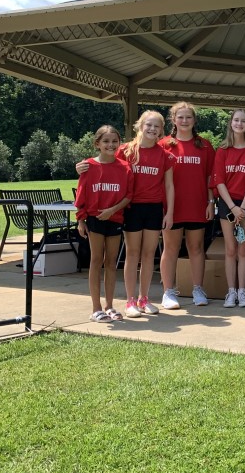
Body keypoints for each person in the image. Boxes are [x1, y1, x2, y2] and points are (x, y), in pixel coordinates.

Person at [159, 102, 215, 309]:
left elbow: (211, 176)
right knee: (171, 248)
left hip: (198, 204)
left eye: (188, 117)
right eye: (180, 117)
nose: (184, 121)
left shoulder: (205, 145)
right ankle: (168, 292)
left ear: (194, 120)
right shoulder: (164, 144)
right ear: (173, 120)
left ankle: (198, 289)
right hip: (172, 207)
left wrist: (211, 201)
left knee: (196, 248)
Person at [74, 125, 133, 323]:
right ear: (97, 144)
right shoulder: (88, 166)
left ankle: (109, 306)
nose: (110, 145)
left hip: (115, 219)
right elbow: (81, 196)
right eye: (106, 141)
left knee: (111, 262)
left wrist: (112, 210)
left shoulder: (124, 167)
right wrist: (81, 220)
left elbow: (128, 195)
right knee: (96, 260)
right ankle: (96, 308)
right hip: (94, 220)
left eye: (114, 141)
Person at [119, 111, 175, 318]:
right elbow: (106, 167)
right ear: (140, 126)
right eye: (148, 125)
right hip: (132, 208)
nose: (152, 129)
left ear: (161, 130)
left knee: (149, 254)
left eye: (156, 126)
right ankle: (130, 301)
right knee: (132, 253)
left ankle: (144, 298)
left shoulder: (165, 155)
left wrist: (169, 212)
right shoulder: (125, 151)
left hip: (154, 208)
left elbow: (169, 186)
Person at [212, 109, 245, 308]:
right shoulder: (222, 150)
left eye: (243, 121)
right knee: (230, 249)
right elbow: (219, 181)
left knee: (244, 248)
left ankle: (242, 292)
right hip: (227, 203)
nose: (239, 124)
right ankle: (231, 291)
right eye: (236, 120)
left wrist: (243, 208)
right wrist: (232, 207)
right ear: (230, 123)